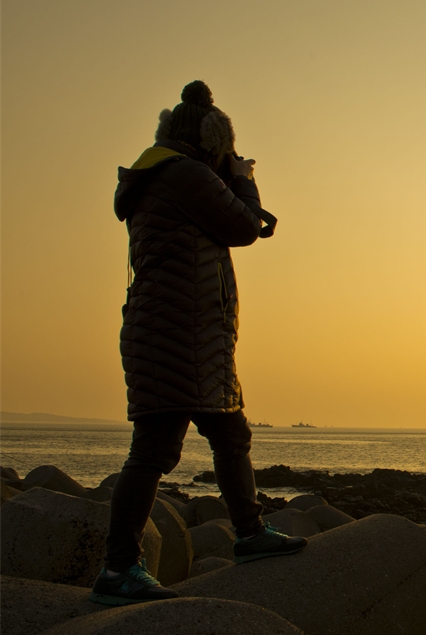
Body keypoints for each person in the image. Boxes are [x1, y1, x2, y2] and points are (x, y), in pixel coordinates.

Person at [91, 81, 303, 605]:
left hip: (186, 335)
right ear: (211, 143)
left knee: (230, 433)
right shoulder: (184, 175)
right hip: (177, 334)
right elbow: (243, 226)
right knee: (155, 449)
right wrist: (244, 179)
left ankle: (249, 533)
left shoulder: (162, 175)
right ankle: (118, 569)